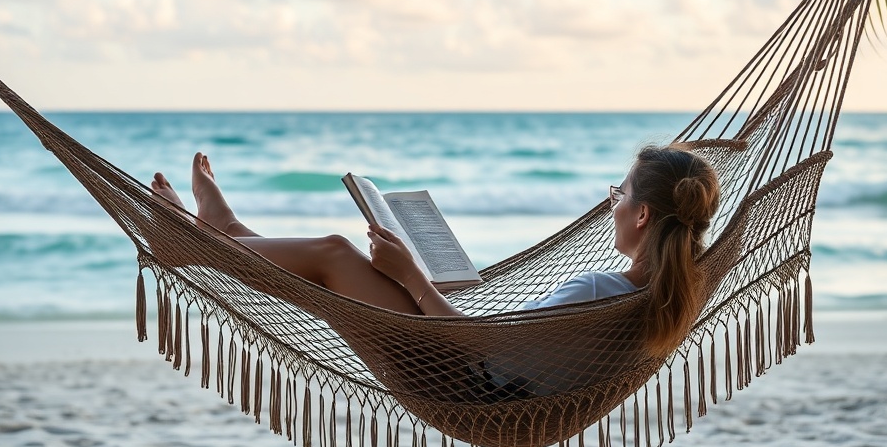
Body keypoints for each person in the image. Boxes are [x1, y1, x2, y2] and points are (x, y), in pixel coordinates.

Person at [150, 144, 720, 360]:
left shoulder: (596, 291)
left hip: (457, 372)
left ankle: (202, 238)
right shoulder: (671, 290)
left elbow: (480, 348)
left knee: (334, 253)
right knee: (335, 260)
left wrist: (415, 281)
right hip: (473, 360)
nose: (613, 201)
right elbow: (508, 342)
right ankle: (222, 230)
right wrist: (423, 282)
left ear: (642, 215)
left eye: (619, 193)